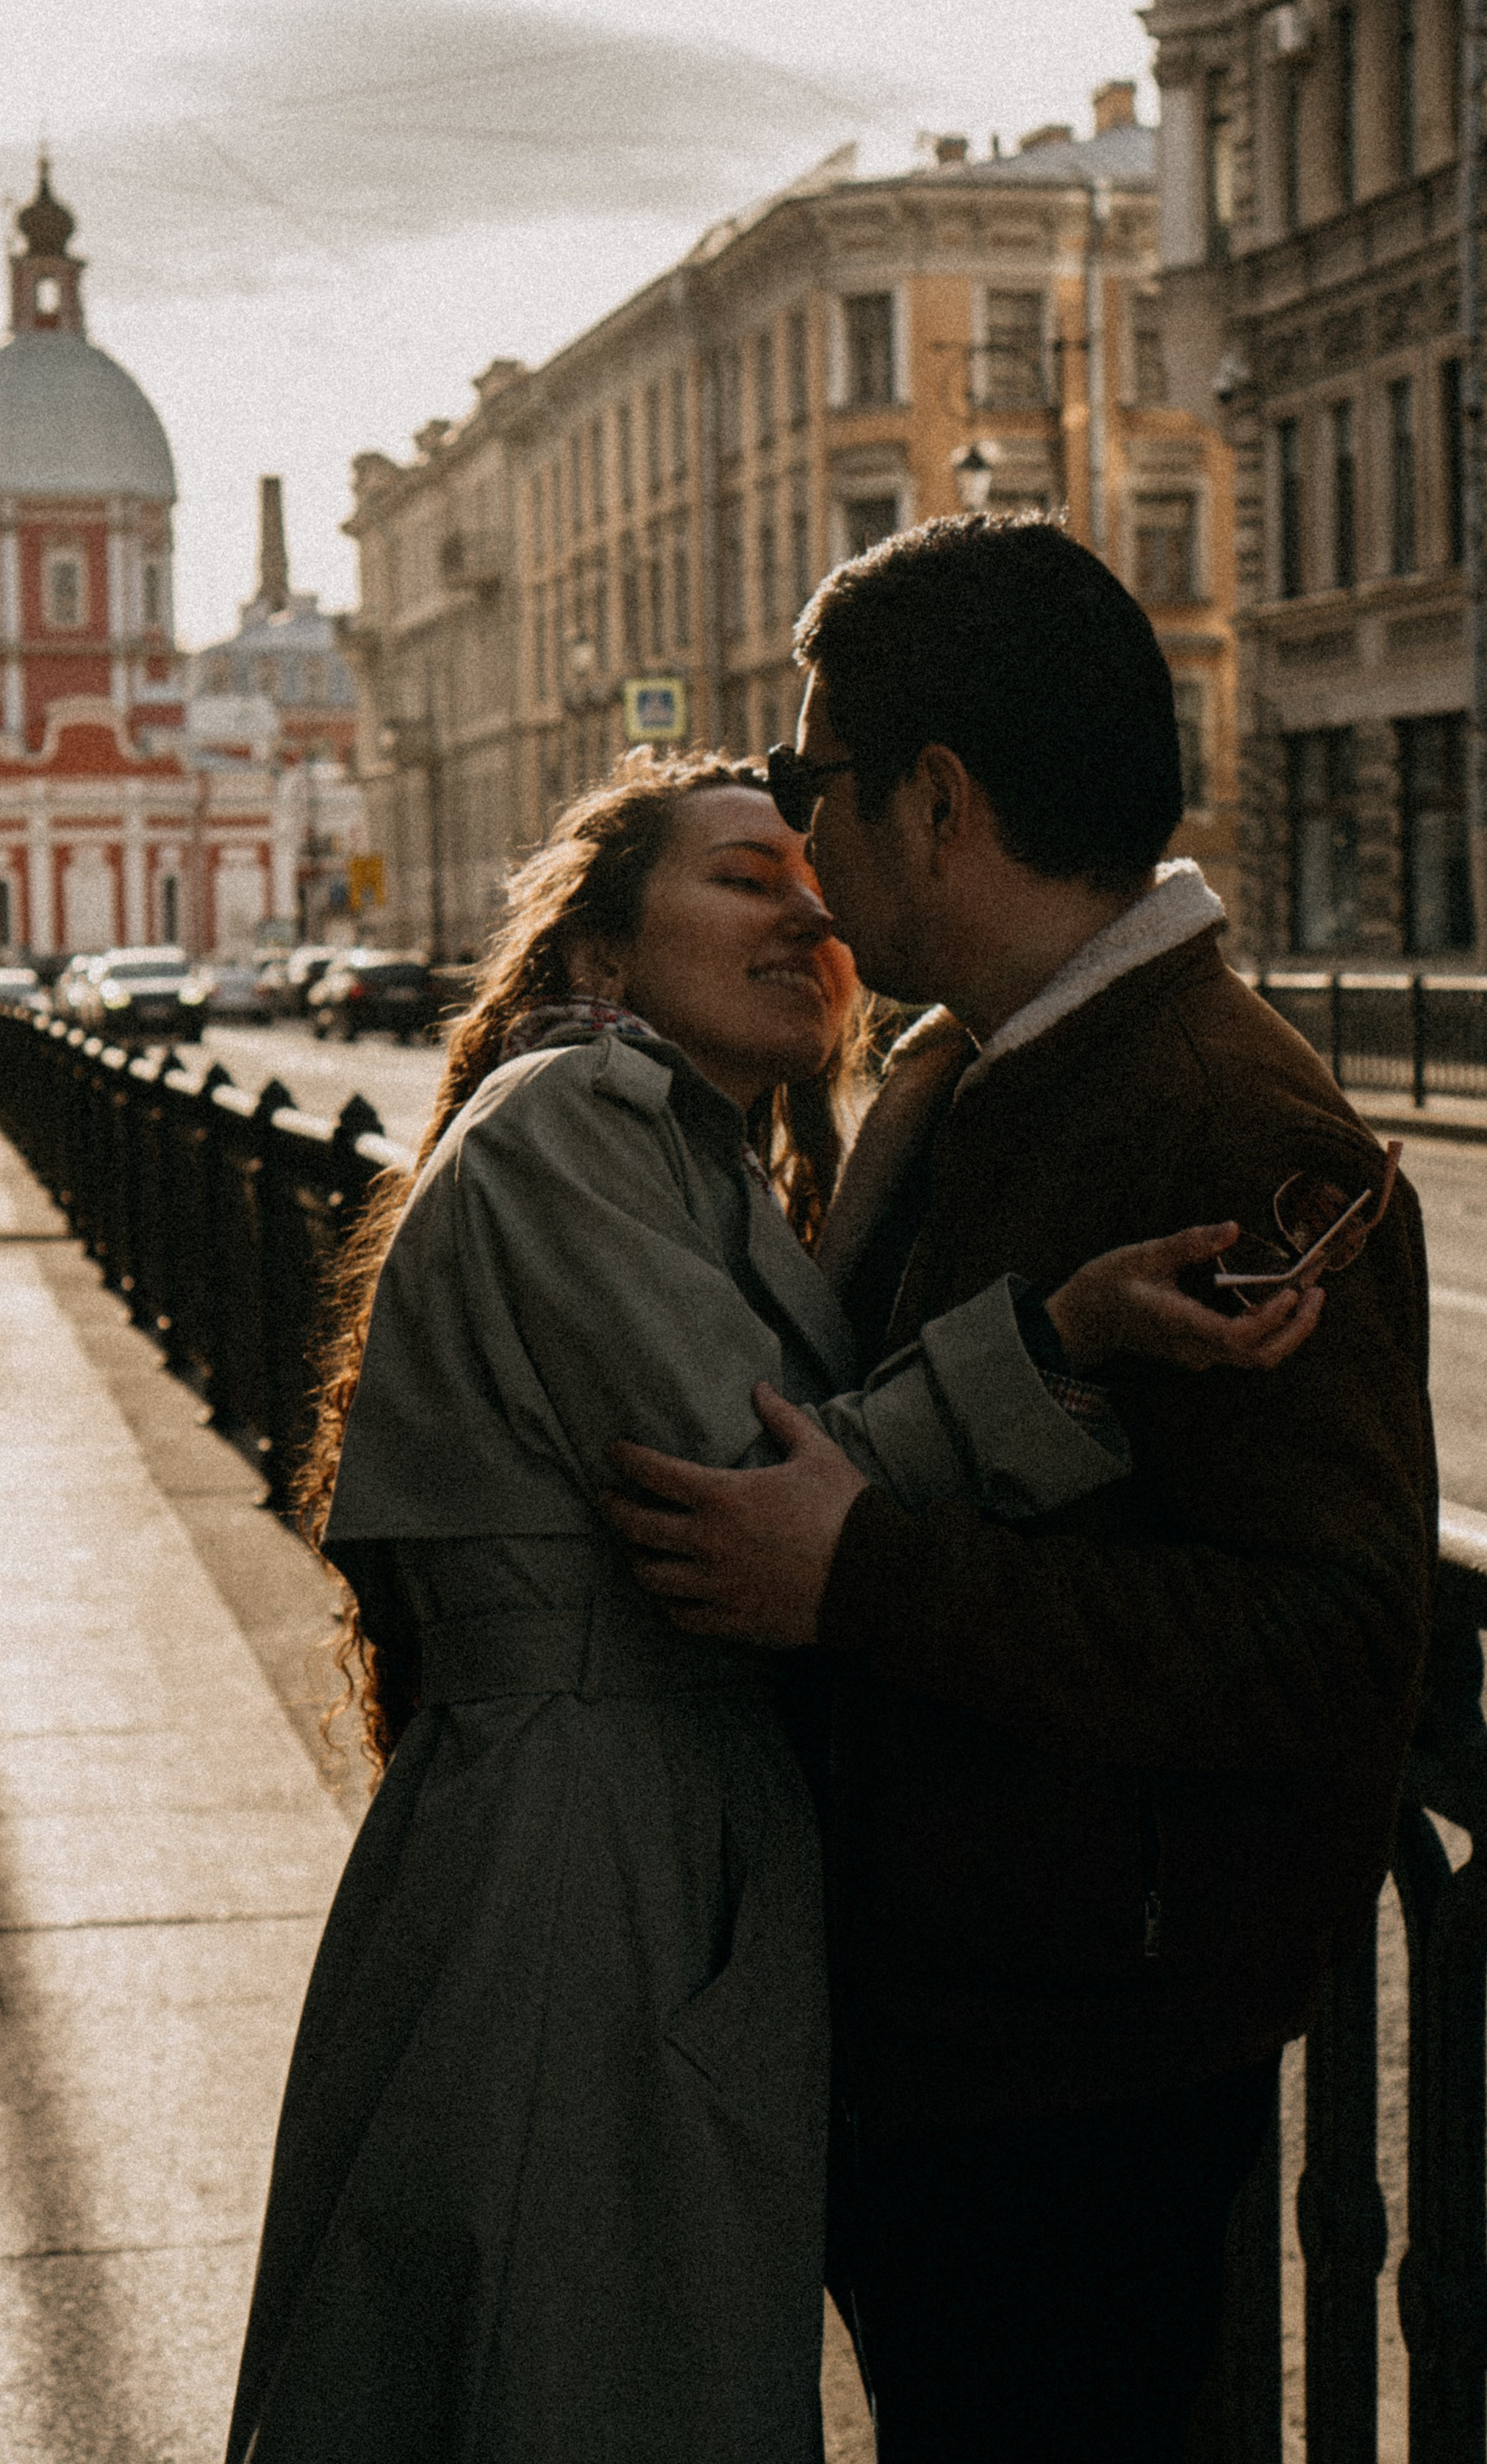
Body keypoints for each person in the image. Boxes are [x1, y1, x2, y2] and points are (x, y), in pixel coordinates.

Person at [224, 748, 1320, 2464]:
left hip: (634, 1830)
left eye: (813, 882)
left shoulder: (692, 1153)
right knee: (569, 2372)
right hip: (589, 1858)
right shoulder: (571, 1117)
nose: (806, 911)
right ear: (598, 952)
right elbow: (751, 1491)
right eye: (743, 878)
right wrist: (1058, 1337)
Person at [605, 518, 1440, 2464]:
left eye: (815, 778)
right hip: (958, 2022)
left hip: (1079, 2075)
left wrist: (864, 1578)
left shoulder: (1223, 1118)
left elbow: (1333, 1636)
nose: (800, 827)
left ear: (938, 800)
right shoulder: (978, 1069)